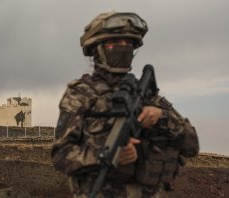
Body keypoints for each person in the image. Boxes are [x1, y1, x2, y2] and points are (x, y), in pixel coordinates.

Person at [51, 12, 199, 198]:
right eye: (115, 44)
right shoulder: (81, 96)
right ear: (97, 49)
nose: (123, 49)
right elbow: (60, 156)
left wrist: (162, 117)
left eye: (128, 44)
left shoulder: (149, 97)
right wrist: (106, 155)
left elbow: (192, 146)